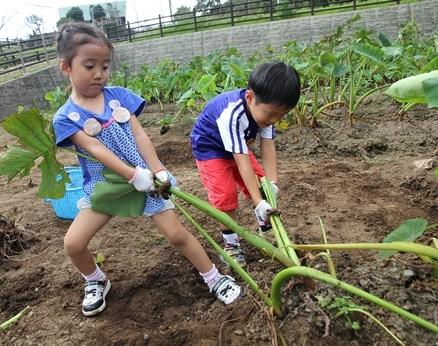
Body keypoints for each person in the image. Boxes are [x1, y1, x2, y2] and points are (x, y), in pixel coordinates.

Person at [52, 22, 243, 317]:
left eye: (105, 65)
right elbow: (95, 149)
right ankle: (95, 280)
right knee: (73, 243)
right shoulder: (66, 117)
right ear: (66, 66)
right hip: (107, 185)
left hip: (147, 180)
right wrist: (132, 175)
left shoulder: (119, 97)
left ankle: (214, 278)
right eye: (89, 66)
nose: (99, 74)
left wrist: (157, 170)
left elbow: (140, 135)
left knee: (176, 234)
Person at [190, 62, 301, 266]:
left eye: (281, 115)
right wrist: (259, 202)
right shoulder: (232, 114)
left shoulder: (268, 114)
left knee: (262, 185)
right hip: (211, 149)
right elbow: (241, 160)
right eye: (270, 115)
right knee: (226, 197)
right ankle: (231, 245)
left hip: (238, 145)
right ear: (250, 98)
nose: (274, 120)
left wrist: (272, 183)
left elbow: (267, 147)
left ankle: (267, 231)